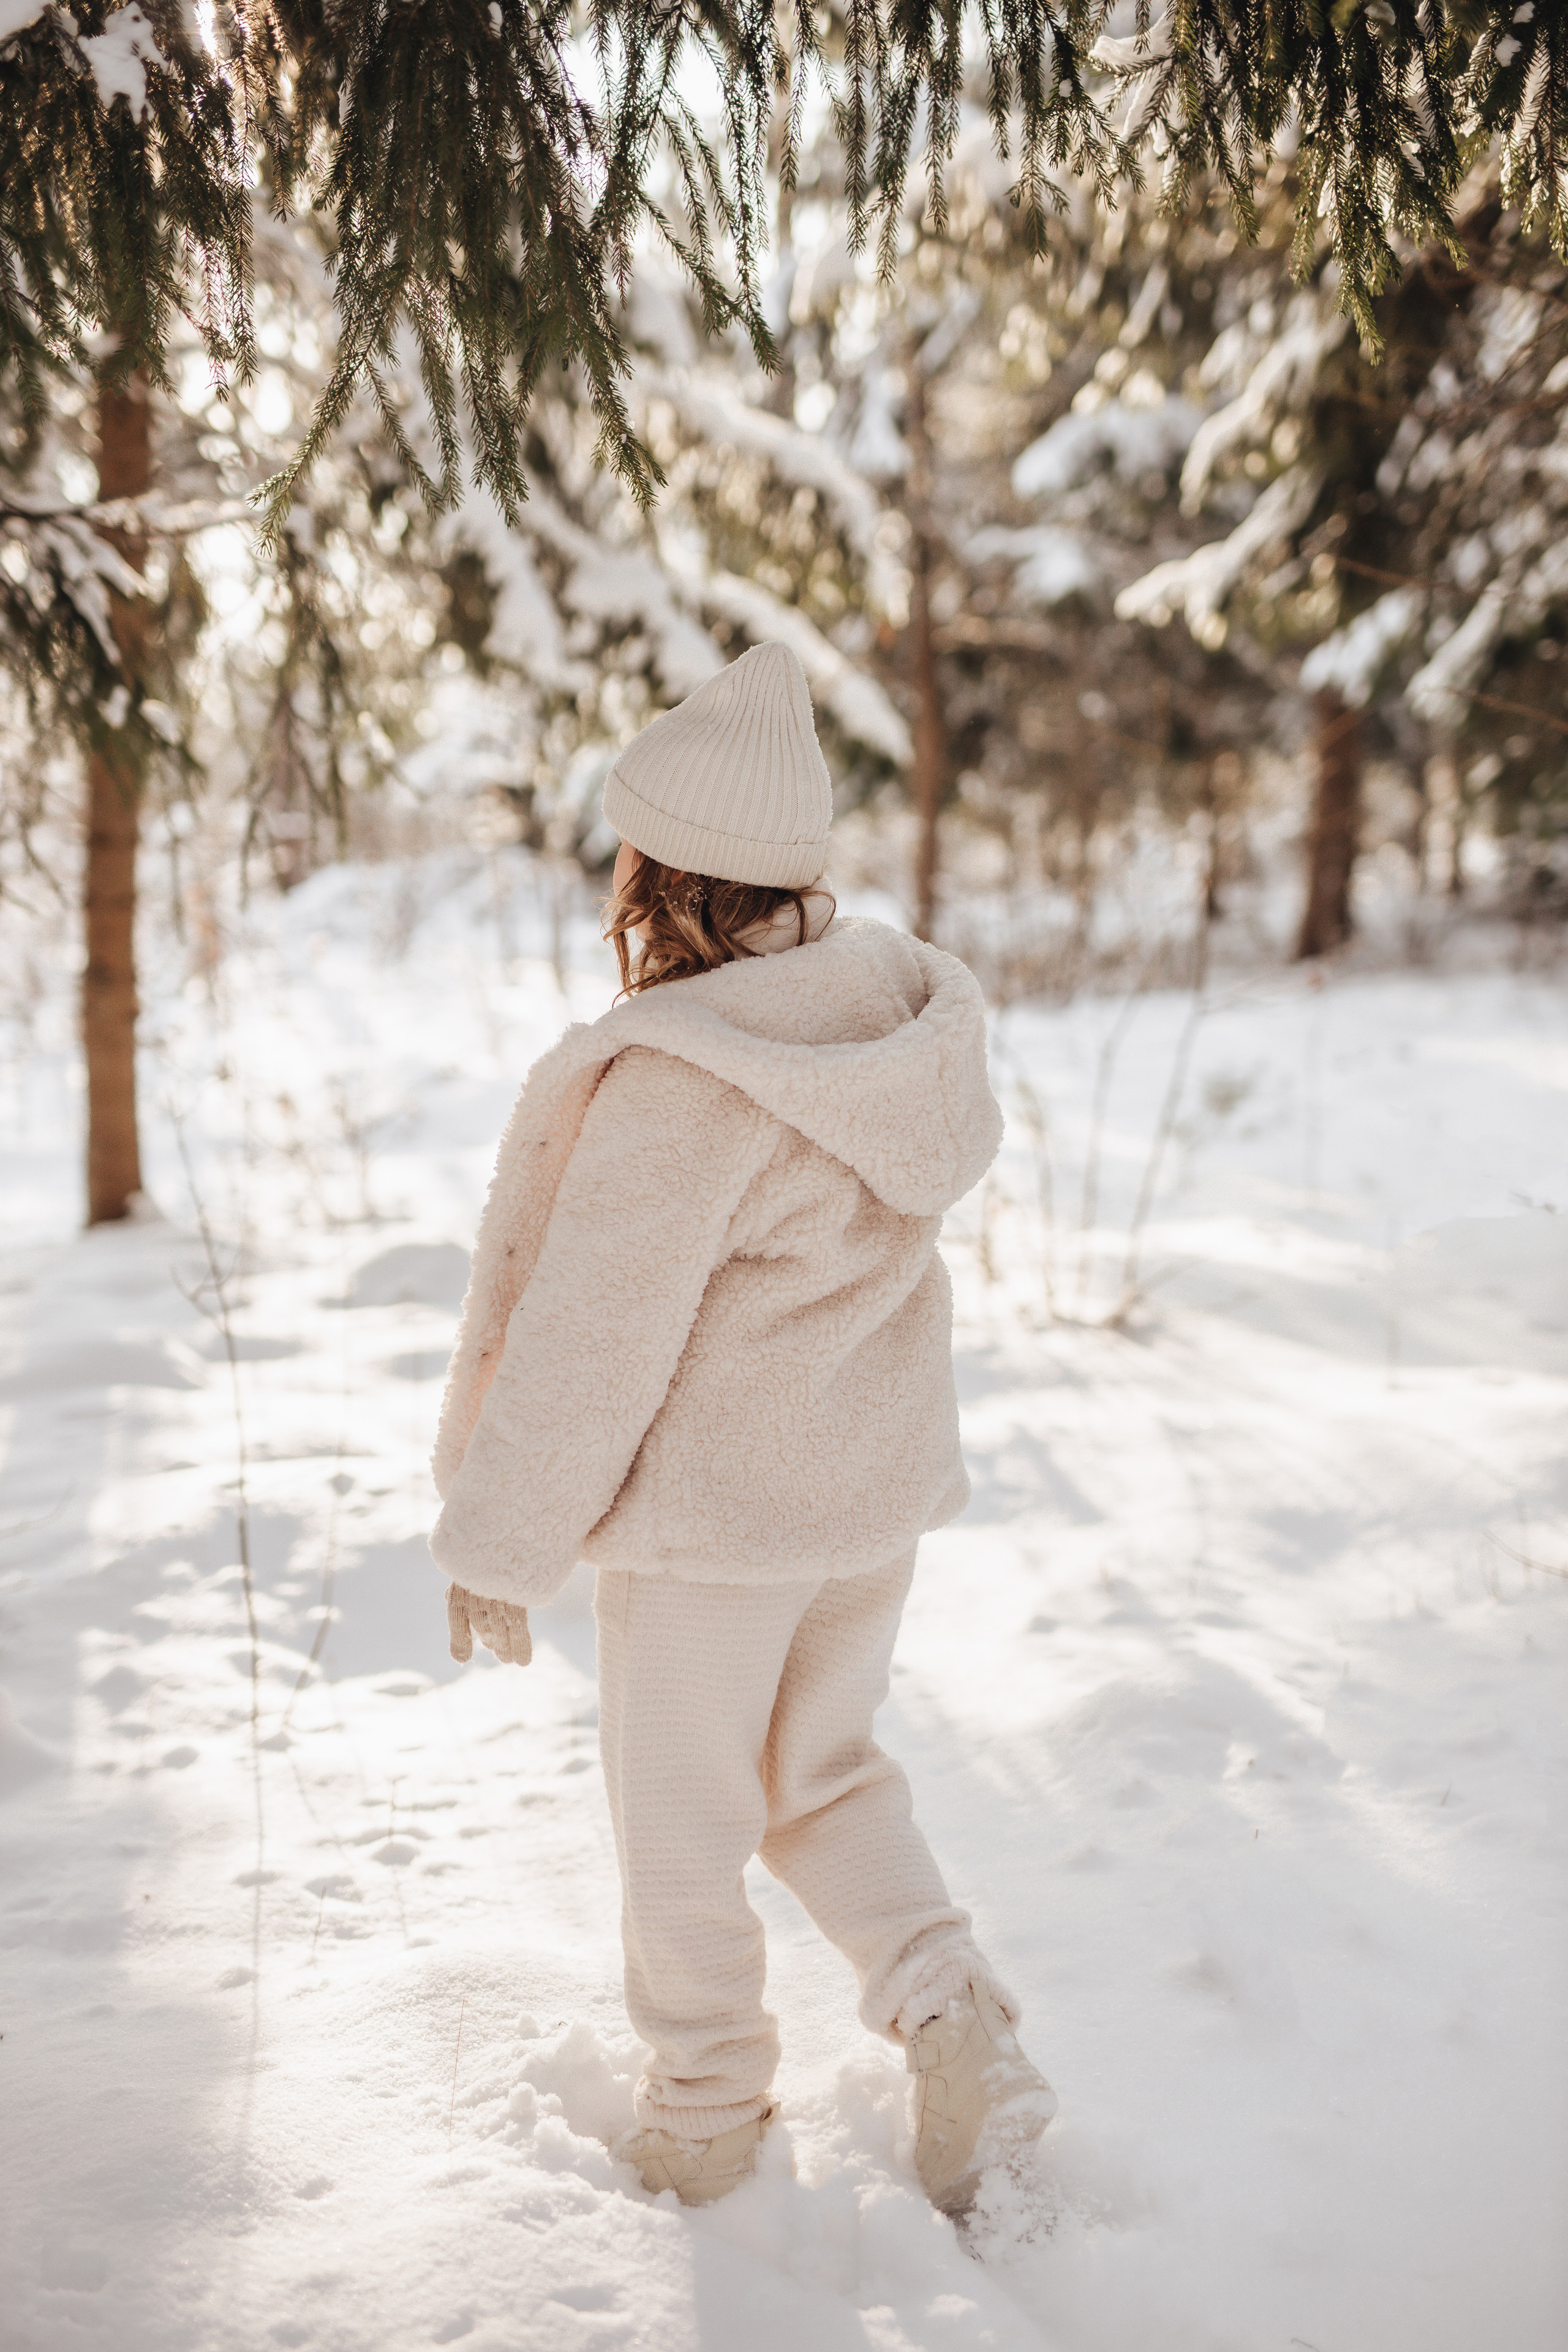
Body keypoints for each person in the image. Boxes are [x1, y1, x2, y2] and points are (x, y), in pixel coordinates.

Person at [430, 641, 1055, 2210]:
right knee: (823, 1778)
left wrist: (500, 1541)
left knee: (682, 1828)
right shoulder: (887, 1018)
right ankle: (950, 2008)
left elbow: (589, 1343)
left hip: (715, 1534)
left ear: (666, 870)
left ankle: (704, 2115)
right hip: (864, 1503)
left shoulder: (684, 1080)